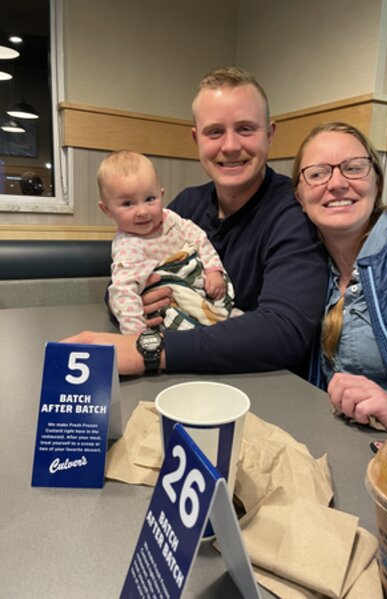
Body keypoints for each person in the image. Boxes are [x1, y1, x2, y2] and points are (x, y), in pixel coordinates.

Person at [63, 66, 328, 375]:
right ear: (196, 138)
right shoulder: (186, 204)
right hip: (177, 377)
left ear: (269, 135)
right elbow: (122, 275)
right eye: (214, 132)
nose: (230, 146)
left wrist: (148, 350)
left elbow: (284, 332)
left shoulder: (294, 212)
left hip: (261, 383)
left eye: (245, 128)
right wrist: (138, 301)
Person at [292, 121, 387, 435]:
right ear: (299, 197)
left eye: (353, 168)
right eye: (318, 174)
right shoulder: (303, 266)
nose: (337, 183)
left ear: (376, 182)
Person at [98, 150, 239, 334]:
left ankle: (222, 315)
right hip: (171, 300)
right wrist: (137, 335)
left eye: (150, 199)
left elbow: (199, 238)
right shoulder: (128, 249)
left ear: (161, 194)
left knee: (221, 303)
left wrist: (213, 270)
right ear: (107, 210)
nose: (142, 212)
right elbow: (123, 294)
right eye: (128, 204)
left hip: (198, 283)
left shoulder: (170, 218)